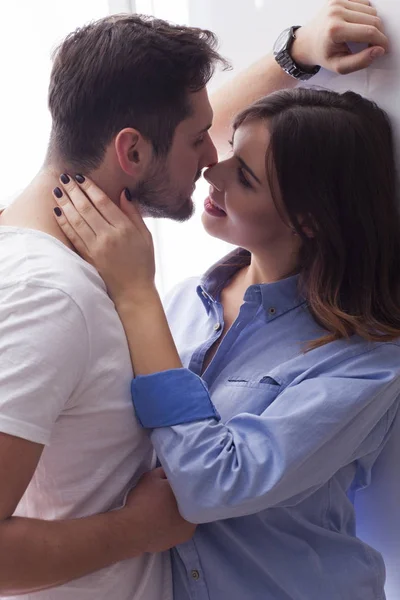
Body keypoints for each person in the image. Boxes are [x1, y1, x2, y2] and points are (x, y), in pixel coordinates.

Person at [0, 1, 389, 598]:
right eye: (210, 144)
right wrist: (294, 54)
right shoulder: (150, 297)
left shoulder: (363, 359)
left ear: (308, 218)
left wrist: (136, 296)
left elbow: (164, 138)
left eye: (244, 172)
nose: (213, 167)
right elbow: (168, 138)